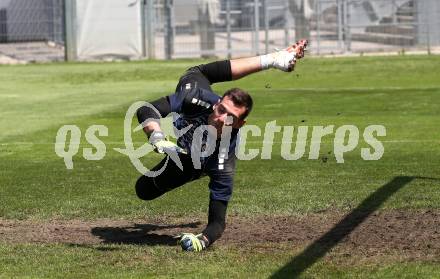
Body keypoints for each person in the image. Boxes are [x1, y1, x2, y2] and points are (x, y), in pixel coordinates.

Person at [135, 39, 308, 252]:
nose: (221, 118)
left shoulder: (224, 157)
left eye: (231, 117)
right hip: (194, 98)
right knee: (199, 72)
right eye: (221, 110)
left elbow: (217, 223)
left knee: (147, 188)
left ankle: (197, 167)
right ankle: (272, 59)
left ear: (239, 124)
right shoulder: (195, 99)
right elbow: (146, 109)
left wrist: (202, 241)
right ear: (216, 104)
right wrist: (156, 136)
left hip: (193, 158)